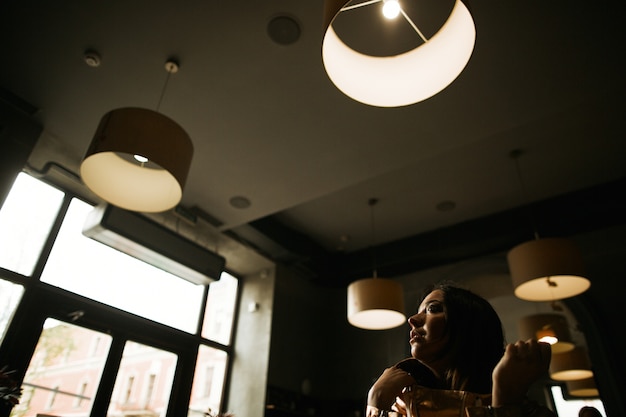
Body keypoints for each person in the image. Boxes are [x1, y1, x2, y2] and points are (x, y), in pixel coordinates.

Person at [366, 282, 556, 417]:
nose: (412, 320)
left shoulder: (528, 410)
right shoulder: (400, 405)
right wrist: (375, 404)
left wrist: (505, 402)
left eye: (432, 309)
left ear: (468, 327)